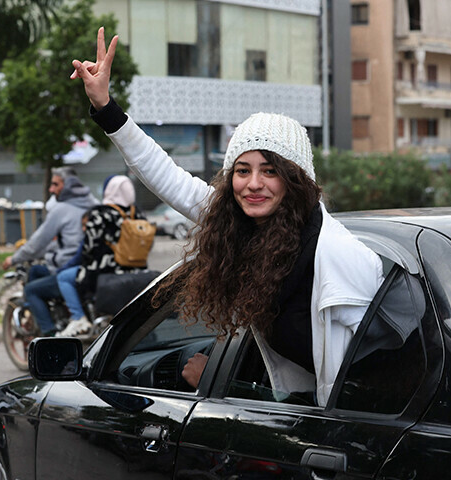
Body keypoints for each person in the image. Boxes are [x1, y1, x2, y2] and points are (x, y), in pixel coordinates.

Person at [71, 28, 384, 406]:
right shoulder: (243, 225)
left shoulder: (338, 256)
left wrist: (231, 387)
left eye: (270, 171)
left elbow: (368, 381)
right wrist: (106, 108)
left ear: (295, 180)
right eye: (242, 170)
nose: (253, 184)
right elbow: (167, 177)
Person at [2, 167, 98, 336]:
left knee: (32, 289)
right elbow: (66, 242)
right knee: (37, 271)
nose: (51, 189)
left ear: (67, 185)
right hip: (91, 266)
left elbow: (38, 241)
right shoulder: (95, 204)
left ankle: (49, 335)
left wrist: (14, 259)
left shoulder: (62, 209)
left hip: (72, 270)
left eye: (55, 184)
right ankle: (53, 317)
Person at [56, 174, 149, 336]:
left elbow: (88, 250)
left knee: (64, 276)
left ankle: (78, 318)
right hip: (135, 271)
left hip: (101, 273)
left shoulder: (100, 214)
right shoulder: (138, 214)